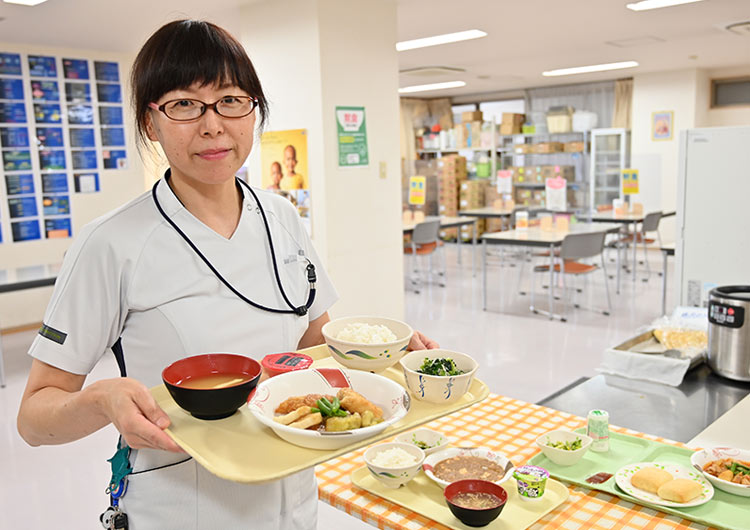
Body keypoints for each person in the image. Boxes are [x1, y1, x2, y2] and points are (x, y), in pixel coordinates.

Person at [16, 20, 438, 530]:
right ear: (151, 121)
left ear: (253, 110)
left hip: (294, 498)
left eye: (232, 100)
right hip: (180, 508)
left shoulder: (281, 215)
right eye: (184, 104)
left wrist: (387, 363)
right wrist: (102, 400)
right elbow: (35, 420)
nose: (213, 125)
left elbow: (314, 344)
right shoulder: (111, 242)